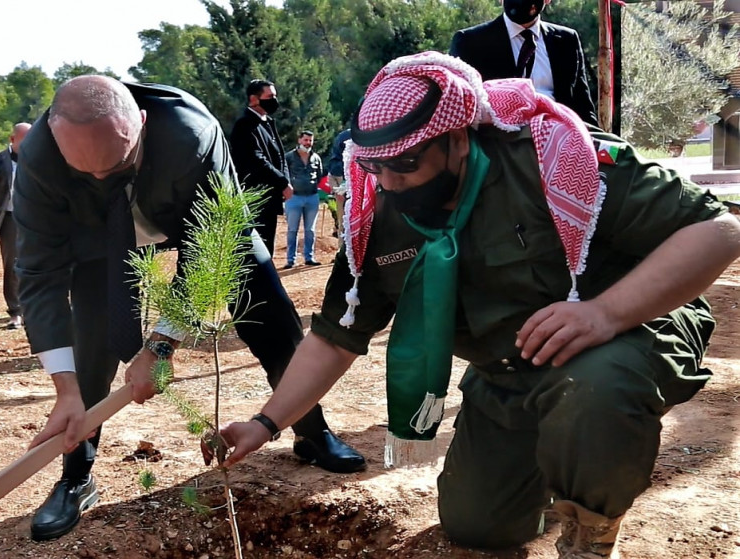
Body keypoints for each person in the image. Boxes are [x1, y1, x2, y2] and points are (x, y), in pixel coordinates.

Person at [212, 52, 740, 559]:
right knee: (479, 526)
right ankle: (557, 464)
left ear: (457, 140)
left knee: (596, 386)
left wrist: (606, 313)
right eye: (375, 166)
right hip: (507, 370)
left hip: (623, 332)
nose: (389, 183)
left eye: (406, 164)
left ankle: (592, 532)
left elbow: (718, 230)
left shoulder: (554, 155)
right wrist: (265, 423)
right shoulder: (378, 212)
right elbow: (334, 336)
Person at [16, 75, 366, 543]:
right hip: (102, 240)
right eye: (86, 171)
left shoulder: (191, 134)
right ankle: (77, 475)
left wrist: (160, 348)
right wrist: (64, 388)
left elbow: (209, 250)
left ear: (140, 123)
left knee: (275, 320)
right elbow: (39, 275)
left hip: (202, 227)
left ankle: (310, 429)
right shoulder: (39, 157)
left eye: (117, 164)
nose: (102, 178)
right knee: (90, 343)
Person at [449, 0, 598, 126]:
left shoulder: (566, 40)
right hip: (500, 144)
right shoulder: (470, 42)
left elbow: (582, 105)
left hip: (560, 138)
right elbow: (458, 107)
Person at [228, 79, 292, 256]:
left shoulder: (267, 123)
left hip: (270, 198)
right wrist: (282, 182)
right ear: (254, 99)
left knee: (267, 247)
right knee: (254, 250)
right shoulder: (244, 125)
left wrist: (284, 182)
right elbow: (256, 159)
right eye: (269, 96)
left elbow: (280, 156)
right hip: (255, 198)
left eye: (275, 96)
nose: (274, 100)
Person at [0, 122, 32, 330]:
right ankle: (15, 311)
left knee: (35, 264)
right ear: (12, 139)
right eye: (25, 139)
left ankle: (32, 310)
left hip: (36, 218)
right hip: (9, 217)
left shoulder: (40, 160)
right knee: (12, 265)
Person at [283, 130, 325, 269]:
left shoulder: (316, 158)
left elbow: (319, 175)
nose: (308, 143)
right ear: (299, 140)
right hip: (294, 197)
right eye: (306, 140)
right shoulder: (289, 157)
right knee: (292, 230)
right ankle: (290, 259)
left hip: (312, 197)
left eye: (310, 140)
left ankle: (309, 257)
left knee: (310, 230)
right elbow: (284, 174)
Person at [326, 128, 352, 238]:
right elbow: (335, 163)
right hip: (344, 179)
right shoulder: (346, 136)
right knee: (345, 222)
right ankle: (344, 251)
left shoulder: (343, 135)